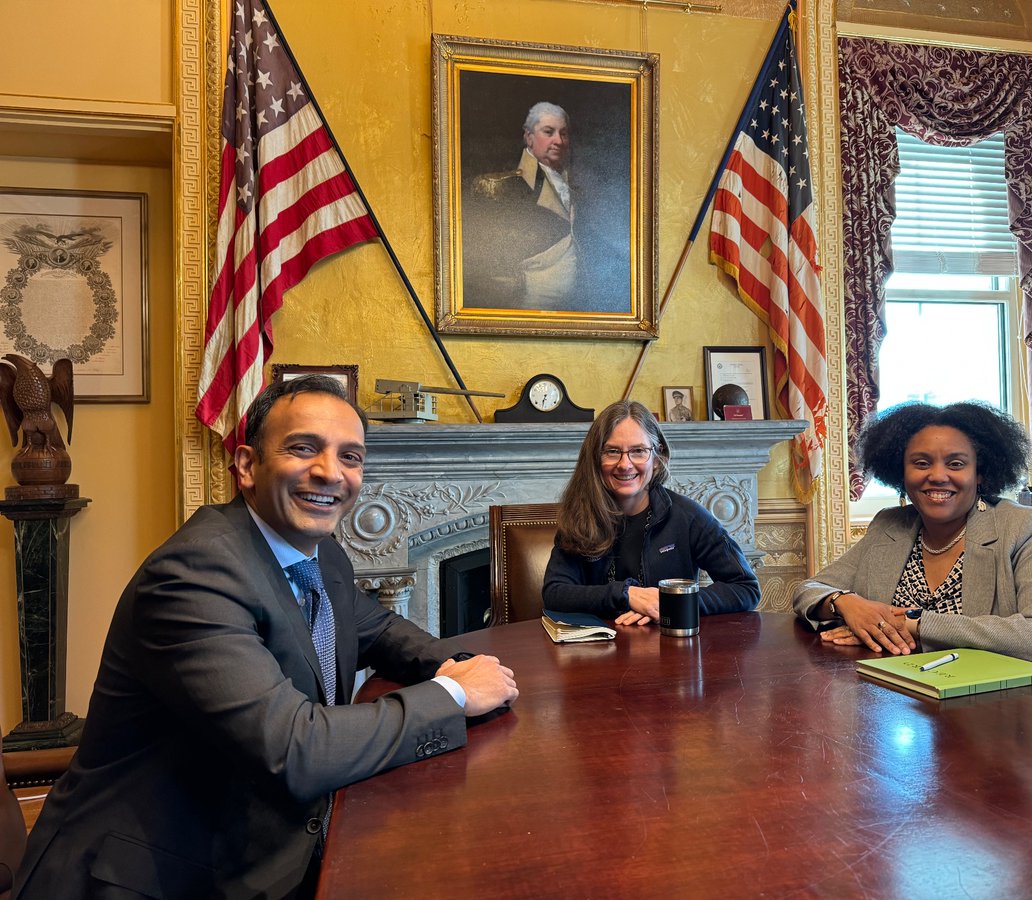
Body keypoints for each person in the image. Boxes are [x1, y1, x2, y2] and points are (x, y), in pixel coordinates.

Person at [15, 376, 519, 899]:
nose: (331, 473)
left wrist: (467, 664)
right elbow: (296, 749)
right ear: (248, 466)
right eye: (304, 449)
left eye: (351, 457)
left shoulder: (321, 555)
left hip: (261, 845)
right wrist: (454, 695)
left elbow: (382, 629)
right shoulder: (195, 574)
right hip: (152, 876)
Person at [793, 401, 1032, 676]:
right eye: (921, 463)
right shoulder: (889, 525)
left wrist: (915, 625)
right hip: (914, 703)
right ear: (901, 472)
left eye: (956, 464)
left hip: (1031, 709)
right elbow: (809, 589)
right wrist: (846, 603)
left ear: (980, 474)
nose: (937, 475)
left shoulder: (1026, 527)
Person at [543, 400, 760, 625]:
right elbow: (555, 593)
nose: (625, 464)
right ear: (596, 460)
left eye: (638, 451)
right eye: (612, 451)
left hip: (672, 651)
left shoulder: (688, 517)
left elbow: (746, 588)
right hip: (598, 652)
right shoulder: (579, 517)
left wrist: (669, 602)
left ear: (656, 459)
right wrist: (627, 595)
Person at [462, 101, 628, 313]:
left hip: (574, 310)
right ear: (529, 137)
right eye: (548, 132)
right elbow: (479, 260)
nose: (558, 140)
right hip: (523, 309)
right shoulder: (497, 186)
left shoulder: (578, 187)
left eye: (564, 134)